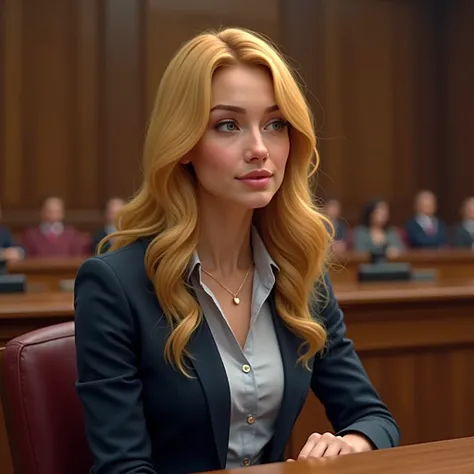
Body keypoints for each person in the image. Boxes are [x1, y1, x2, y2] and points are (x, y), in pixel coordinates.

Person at [74, 27, 399, 474]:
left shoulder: (299, 271)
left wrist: (354, 443)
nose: (260, 149)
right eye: (228, 125)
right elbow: (124, 467)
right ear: (184, 143)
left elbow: (374, 418)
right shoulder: (114, 285)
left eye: (275, 124)